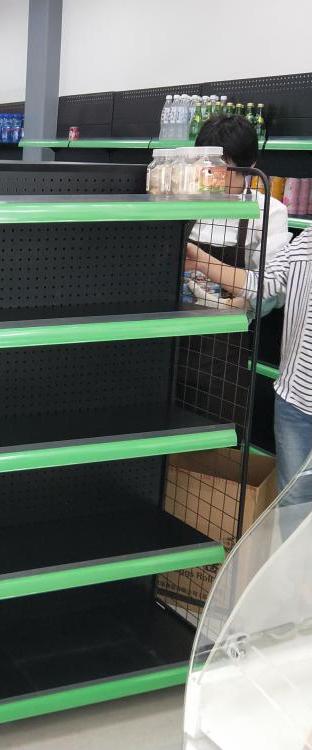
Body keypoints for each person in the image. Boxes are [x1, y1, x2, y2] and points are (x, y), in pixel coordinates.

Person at [186, 229, 312, 526]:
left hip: (292, 405)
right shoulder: (308, 239)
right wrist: (201, 259)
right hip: (295, 401)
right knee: (292, 507)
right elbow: (262, 283)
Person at [190, 114, 291, 273]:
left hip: (236, 289)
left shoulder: (270, 211)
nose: (210, 172)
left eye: (220, 164)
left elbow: (269, 279)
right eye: (204, 162)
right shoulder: (184, 201)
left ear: (250, 163)